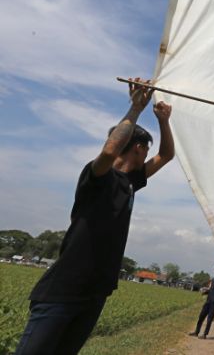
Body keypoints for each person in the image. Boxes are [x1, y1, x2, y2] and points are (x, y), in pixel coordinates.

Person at [15, 78, 175, 355]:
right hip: (63, 292)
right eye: (146, 148)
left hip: (95, 294)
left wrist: (163, 120)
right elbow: (109, 151)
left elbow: (167, 154)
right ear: (138, 148)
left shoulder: (130, 182)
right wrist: (136, 108)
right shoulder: (97, 175)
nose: (148, 154)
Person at [190, 261, 214, 338]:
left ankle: (205, 334)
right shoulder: (213, 280)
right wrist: (206, 292)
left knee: (209, 319)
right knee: (201, 317)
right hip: (208, 301)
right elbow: (211, 289)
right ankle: (196, 332)